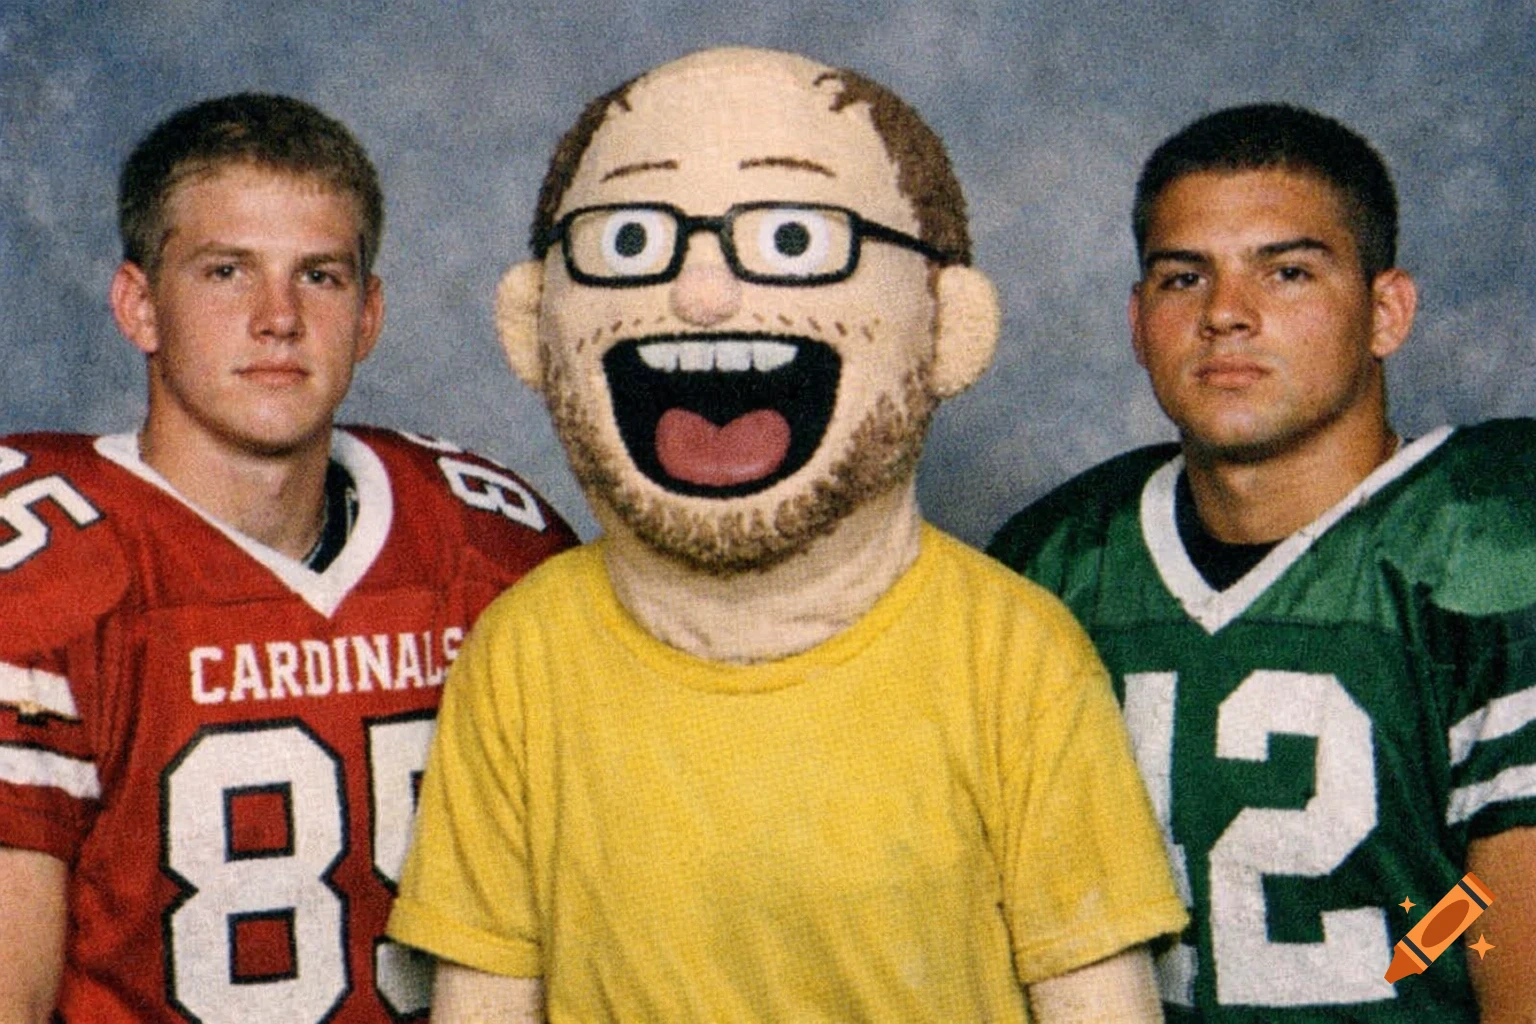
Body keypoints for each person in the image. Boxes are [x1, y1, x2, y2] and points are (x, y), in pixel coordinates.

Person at [386, 47, 1187, 1023]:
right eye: (632, 239)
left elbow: (1100, 1003)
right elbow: (485, 1002)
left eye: (795, 237)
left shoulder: (1015, 656)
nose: (706, 294)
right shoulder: (522, 654)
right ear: (531, 320)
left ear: (949, 326)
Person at [0, 93, 576, 1022]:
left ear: (369, 315)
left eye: (320, 276)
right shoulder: (42, 567)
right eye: (226, 272)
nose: (279, 318)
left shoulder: (484, 543)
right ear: (139, 306)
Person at [988, 103, 1536, 1022]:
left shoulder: (1489, 546)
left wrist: (1428, 943)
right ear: (1136, 319)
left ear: (1385, 311)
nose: (1225, 316)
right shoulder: (1059, 559)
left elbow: (1501, 936)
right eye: (1181, 278)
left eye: (1287, 272)